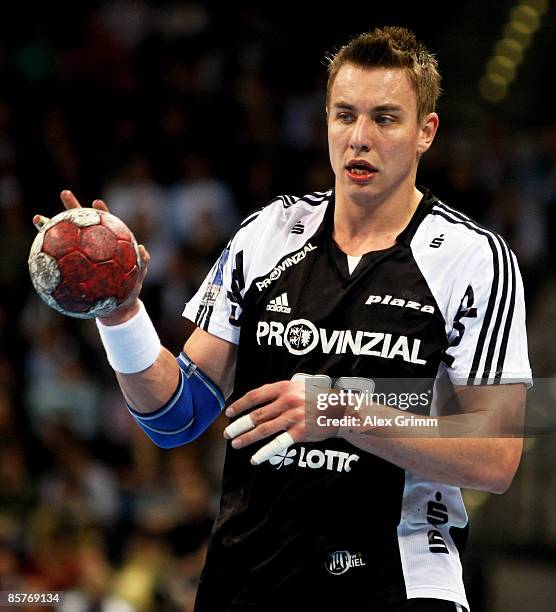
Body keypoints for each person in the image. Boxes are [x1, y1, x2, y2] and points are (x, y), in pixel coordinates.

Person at [34, 26, 531, 612]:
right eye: (344, 116)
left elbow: (496, 454)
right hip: (247, 579)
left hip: (398, 580)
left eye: (386, 119)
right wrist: (121, 314)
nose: (359, 139)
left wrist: (341, 409)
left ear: (427, 131)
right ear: (324, 121)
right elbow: (177, 418)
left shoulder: (473, 259)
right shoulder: (267, 236)